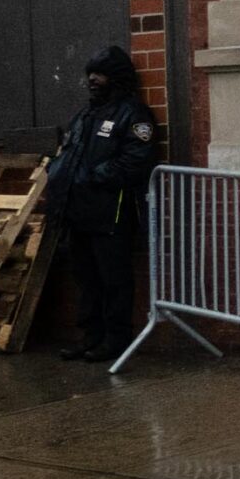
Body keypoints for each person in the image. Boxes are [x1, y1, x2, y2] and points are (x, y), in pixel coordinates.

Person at [42, 46, 157, 362]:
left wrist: (93, 177)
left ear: (116, 77)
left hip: (111, 216)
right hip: (79, 214)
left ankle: (115, 341)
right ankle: (89, 337)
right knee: (86, 279)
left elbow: (137, 159)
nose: (93, 79)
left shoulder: (133, 114)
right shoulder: (85, 115)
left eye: (100, 74)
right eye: (90, 74)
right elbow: (68, 153)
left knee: (114, 280)